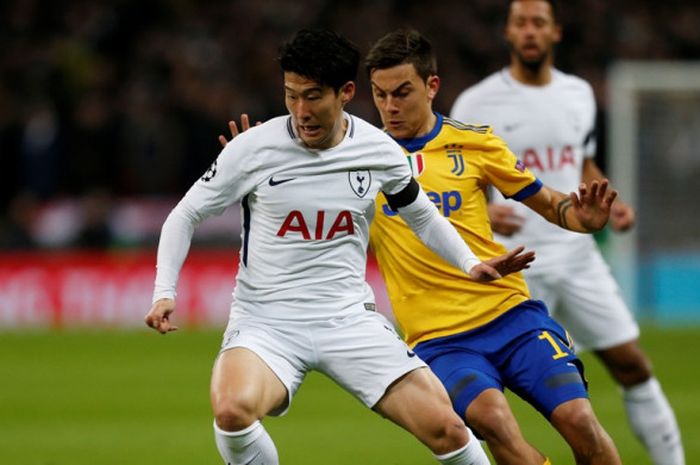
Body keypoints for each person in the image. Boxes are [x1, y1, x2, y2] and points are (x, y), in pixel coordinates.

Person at [144, 28, 540, 465]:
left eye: (313, 97)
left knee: (448, 428)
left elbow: (421, 214)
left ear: (346, 92)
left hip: (349, 320)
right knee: (231, 410)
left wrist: (469, 262)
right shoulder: (253, 149)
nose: (301, 111)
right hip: (267, 322)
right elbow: (185, 215)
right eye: (291, 96)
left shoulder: (378, 150)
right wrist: (166, 291)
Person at [362, 28, 621, 465]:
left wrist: (582, 219)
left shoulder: (475, 141)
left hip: (510, 315)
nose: (390, 107)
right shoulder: (358, 156)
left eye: (402, 93)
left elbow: (548, 202)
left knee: (579, 420)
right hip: (440, 339)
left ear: (432, 86)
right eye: (379, 95)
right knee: (491, 419)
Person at [450, 2, 685, 465]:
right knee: (498, 401)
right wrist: (483, 213)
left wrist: (611, 204)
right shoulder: (476, 103)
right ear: (508, 33)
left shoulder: (578, 93)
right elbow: (454, 178)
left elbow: (581, 162)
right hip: (513, 262)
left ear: (555, 32)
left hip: (577, 255)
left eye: (539, 23)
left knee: (632, 364)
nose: (530, 32)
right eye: (521, 23)